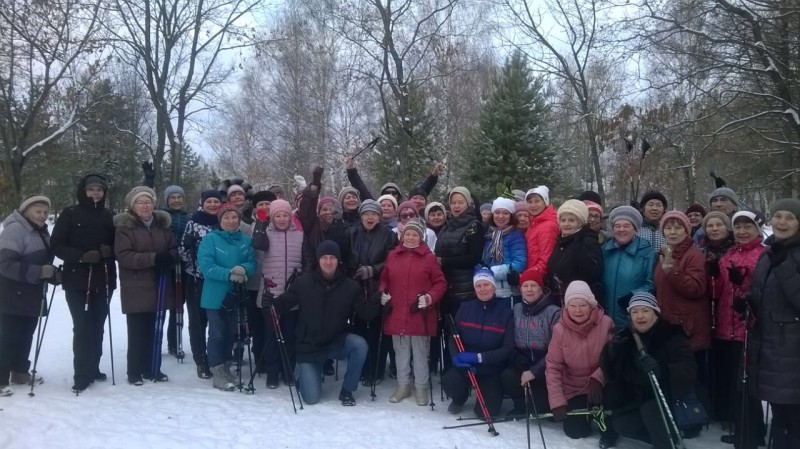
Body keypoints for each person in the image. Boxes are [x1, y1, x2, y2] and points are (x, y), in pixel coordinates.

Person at [263, 240, 380, 406]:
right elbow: (283, 304)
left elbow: (366, 314)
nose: (328, 262)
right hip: (309, 345)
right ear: (318, 260)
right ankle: (304, 377)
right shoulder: (303, 282)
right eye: (324, 257)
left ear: (338, 260)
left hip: (336, 341)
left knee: (360, 344)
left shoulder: (351, 286)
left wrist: (378, 300)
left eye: (332, 257)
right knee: (311, 399)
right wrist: (270, 303)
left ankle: (347, 389)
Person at [601, 293, 698, 449]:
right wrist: (612, 352)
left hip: (669, 401)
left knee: (651, 409)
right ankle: (662, 434)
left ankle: (667, 441)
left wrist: (662, 369)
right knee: (622, 423)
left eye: (645, 311)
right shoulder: (626, 337)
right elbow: (613, 374)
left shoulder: (671, 335)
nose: (640, 316)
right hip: (639, 399)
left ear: (655, 313)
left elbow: (688, 368)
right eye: (635, 312)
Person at [51, 174, 117, 392]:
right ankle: (81, 373)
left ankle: (93, 367)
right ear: (83, 191)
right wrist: (80, 256)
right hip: (77, 279)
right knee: (82, 326)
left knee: (97, 325)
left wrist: (111, 251)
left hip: (104, 278)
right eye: (91, 190)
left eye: (99, 190)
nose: (95, 193)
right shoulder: (70, 214)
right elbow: (57, 245)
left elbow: (121, 243)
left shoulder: (108, 215)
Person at [747, 198, 800, 449]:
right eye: (778, 216)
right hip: (768, 344)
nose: (782, 222)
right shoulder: (769, 253)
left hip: (792, 347)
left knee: (793, 412)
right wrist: (748, 302)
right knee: (779, 411)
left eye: (790, 217)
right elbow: (764, 292)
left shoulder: (787, 255)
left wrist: (785, 266)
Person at [712, 210, 766, 447]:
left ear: (758, 229)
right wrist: (713, 276)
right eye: (739, 227)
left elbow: (764, 291)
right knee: (734, 381)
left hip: (749, 327)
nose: (742, 232)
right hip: (726, 326)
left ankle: (751, 433)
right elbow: (719, 291)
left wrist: (744, 289)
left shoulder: (764, 255)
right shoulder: (730, 254)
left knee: (745, 383)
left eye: (748, 227)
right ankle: (744, 427)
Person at [114, 186, 178, 385]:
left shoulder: (162, 226)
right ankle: (134, 371)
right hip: (136, 286)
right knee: (137, 331)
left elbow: (174, 248)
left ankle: (152, 368)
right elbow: (124, 256)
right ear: (132, 206)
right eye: (140, 202)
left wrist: (169, 258)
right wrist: (154, 258)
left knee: (155, 329)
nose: (145, 205)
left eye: (148, 201)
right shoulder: (125, 228)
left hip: (160, 284)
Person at [380, 219, 447, 405]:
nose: (410, 237)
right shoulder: (393, 255)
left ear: (421, 237)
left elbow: (440, 283)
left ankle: (421, 387)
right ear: (402, 235)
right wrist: (383, 292)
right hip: (397, 312)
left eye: (414, 234)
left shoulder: (429, 257)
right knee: (400, 351)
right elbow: (384, 278)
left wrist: (430, 297)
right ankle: (403, 386)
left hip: (419, 313)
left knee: (419, 352)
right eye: (407, 234)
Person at [0, 195, 58, 397]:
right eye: (37, 211)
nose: (42, 216)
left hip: (32, 293)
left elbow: (43, 261)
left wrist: (52, 274)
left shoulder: (41, 231)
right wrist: (40, 272)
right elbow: (5, 264)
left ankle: (19, 372)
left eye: (45, 212)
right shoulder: (15, 230)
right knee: (8, 337)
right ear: (26, 212)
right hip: (12, 293)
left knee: (25, 335)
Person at [197, 202, 257, 391]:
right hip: (215, 296)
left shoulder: (245, 241)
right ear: (220, 220)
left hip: (236, 295)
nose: (231, 221)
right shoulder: (211, 239)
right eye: (226, 217)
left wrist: (245, 268)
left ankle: (227, 365)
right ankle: (217, 370)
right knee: (217, 333)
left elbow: (252, 262)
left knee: (232, 332)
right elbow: (206, 265)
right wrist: (229, 273)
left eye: (234, 217)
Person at [253, 199, 312, 388]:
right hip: (270, 294)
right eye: (277, 215)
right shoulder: (264, 233)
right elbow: (257, 248)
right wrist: (261, 225)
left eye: (285, 215)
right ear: (272, 216)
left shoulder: (300, 235)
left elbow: (307, 261)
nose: (281, 218)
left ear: (290, 216)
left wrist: (302, 279)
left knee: (290, 335)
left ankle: (288, 371)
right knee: (271, 336)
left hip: (292, 296)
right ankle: (272, 372)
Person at [546, 281, 614, 444]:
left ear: (591, 304)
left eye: (582, 305)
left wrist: (599, 378)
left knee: (609, 431)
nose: (577, 310)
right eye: (573, 305)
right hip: (575, 388)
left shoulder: (606, 323)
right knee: (575, 431)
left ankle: (605, 421)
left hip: (601, 386)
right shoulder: (559, 330)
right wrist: (557, 401)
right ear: (566, 306)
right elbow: (553, 367)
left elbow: (613, 358)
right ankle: (588, 414)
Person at [654, 210, 709, 409]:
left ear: (687, 230)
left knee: (689, 373)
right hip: (669, 323)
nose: (673, 232)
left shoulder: (693, 255)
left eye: (678, 227)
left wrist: (672, 271)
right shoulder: (666, 253)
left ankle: (696, 413)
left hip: (688, 327)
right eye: (668, 227)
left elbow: (696, 288)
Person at [443, 268, 514, 418]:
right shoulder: (465, 308)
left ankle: (490, 393)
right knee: (450, 381)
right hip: (466, 366)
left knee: (487, 414)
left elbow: (508, 348)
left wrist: (479, 357)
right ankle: (459, 398)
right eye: (478, 286)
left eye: (486, 285)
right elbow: (453, 337)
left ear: (494, 287)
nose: (483, 289)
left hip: (490, 369)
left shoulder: (506, 313)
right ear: (474, 288)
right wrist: (457, 357)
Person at [346, 199, 398, 385]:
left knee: (378, 332)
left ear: (379, 216)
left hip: (378, 289)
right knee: (359, 330)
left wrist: (374, 269)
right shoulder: (352, 233)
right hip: (357, 289)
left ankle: (375, 370)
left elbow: (393, 260)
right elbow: (345, 258)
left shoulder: (388, 235)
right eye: (366, 214)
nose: (370, 217)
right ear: (360, 216)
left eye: (374, 214)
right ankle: (361, 367)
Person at [500, 269, 560, 416]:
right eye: (525, 286)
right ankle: (520, 405)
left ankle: (539, 403)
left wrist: (535, 371)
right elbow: (509, 339)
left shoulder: (554, 312)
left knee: (539, 410)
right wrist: (518, 359)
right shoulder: (516, 309)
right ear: (520, 289)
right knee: (507, 375)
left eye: (533, 285)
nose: (529, 289)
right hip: (523, 360)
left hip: (545, 364)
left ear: (541, 288)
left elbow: (556, 349)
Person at [178, 189, 222, 379]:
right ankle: (201, 360)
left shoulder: (225, 222)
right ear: (202, 204)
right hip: (197, 278)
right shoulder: (193, 223)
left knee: (217, 321)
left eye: (216, 202)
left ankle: (217, 359)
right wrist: (187, 246)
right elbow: (183, 254)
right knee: (198, 321)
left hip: (220, 280)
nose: (212, 205)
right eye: (209, 202)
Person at [601, 206, 655, 326]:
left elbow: (651, 283)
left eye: (626, 226)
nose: (621, 229)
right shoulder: (605, 250)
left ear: (635, 229)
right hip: (605, 316)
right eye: (617, 226)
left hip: (633, 315)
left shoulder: (646, 252)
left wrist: (632, 295)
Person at [437, 187, 485, 316]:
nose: (456, 206)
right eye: (453, 203)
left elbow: (474, 257)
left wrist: (444, 261)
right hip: (446, 285)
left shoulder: (473, 226)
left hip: (465, 287)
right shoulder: (448, 225)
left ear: (468, 204)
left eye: (460, 202)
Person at [547, 199, 604, 304]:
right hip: (560, 298)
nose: (566, 224)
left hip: (581, 301)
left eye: (571, 220)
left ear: (580, 222)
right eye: (563, 220)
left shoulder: (588, 241)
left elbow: (593, 273)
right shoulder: (561, 240)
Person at [480, 197, 527, 308]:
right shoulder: (488, 235)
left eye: (505, 213)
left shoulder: (516, 235)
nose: (501, 216)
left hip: (508, 291)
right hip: (489, 289)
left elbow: (520, 264)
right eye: (497, 212)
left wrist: (490, 272)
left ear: (511, 216)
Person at [162, 185, 190, 360]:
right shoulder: (161, 217)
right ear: (166, 200)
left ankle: (175, 342)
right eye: (172, 197)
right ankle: (155, 340)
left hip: (184, 266)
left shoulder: (189, 217)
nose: (176, 200)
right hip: (167, 265)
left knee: (178, 305)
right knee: (164, 303)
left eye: (179, 197)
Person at [524, 185, 559, 287]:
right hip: (533, 277)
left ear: (545, 202)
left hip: (540, 280)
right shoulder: (534, 223)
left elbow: (546, 260)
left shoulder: (548, 226)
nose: (533, 205)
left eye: (537, 201)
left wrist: (525, 276)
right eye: (530, 202)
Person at [637, 190, 668, 254]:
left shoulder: (669, 228)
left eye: (658, 205)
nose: (654, 208)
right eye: (650, 205)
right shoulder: (636, 228)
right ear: (643, 208)